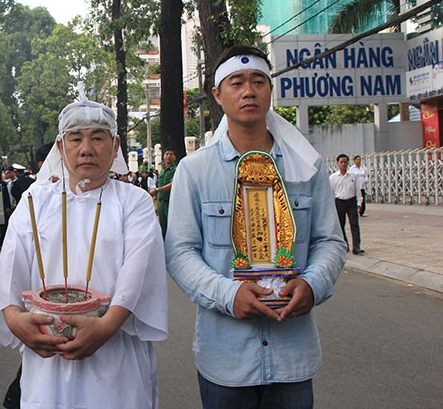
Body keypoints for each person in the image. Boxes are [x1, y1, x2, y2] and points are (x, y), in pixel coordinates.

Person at [165, 45, 346, 409]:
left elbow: (330, 240)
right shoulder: (194, 171)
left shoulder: (306, 167)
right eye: (237, 82)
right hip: (225, 359)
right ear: (218, 95)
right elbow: (180, 252)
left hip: (292, 358)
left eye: (258, 81)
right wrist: (228, 295)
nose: (249, 91)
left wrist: (312, 284)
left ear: (269, 90)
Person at [0, 98, 169, 409]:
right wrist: (15, 318)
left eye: (98, 137)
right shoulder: (36, 200)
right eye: (75, 138)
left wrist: (107, 325)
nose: (86, 148)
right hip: (48, 355)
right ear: (60, 147)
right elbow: (10, 269)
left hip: (115, 355)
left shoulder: (133, 202)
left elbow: (138, 272)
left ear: (115, 147)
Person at [330, 153, 365, 254]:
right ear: (337, 164)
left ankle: (356, 246)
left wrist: (359, 202)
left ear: (348, 163)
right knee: (340, 225)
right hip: (339, 202)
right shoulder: (333, 177)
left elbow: (358, 190)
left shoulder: (353, 176)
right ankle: (344, 245)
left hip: (351, 202)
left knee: (354, 224)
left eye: (345, 162)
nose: (343, 164)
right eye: (341, 162)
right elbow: (331, 193)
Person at [149, 148, 177, 237]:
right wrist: (157, 205)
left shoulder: (175, 170)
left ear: (174, 157)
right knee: (162, 229)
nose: (168, 156)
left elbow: (172, 185)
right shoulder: (162, 171)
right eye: (167, 154)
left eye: (171, 154)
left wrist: (157, 190)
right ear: (163, 157)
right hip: (161, 203)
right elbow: (159, 188)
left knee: (171, 228)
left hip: (170, 203)